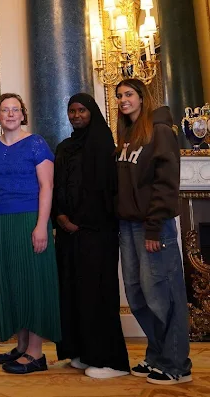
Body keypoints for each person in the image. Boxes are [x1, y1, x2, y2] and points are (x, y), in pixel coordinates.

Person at [115, 78, 192, 385]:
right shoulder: (128, 135)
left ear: (142, 97)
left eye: (129, 94)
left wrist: (153, 227)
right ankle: (157, 354)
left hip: (153, 228)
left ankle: (177, 365)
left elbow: (165, 183)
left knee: (164, 295)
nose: (123, 100)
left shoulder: (160, 131)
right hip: (128, 226)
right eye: (119, 95)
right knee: (138, 295)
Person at [53, 93, 129, 378]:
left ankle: (109, 360)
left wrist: (80, 222)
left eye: (82, 110)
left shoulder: (103, 145)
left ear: (92, 112)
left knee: (97, 294)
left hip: (97, 234)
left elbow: (104, 192)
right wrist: (60, 216)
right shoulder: (65, 146)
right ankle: (82, 352)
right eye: (72, 111)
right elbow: (59, 186)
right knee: (73, 292)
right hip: (68, 234)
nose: (76, 115)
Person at [0, 93, 61, 374]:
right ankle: (21, 346)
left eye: (15, 109)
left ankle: (36, 354)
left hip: (30, 218)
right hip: (0, 221)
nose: (10, 114)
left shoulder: (36, 143)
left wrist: (42, 225)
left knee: (32, 282)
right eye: (5, 110)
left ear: (22, 114)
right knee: (12, 280)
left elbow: (47, 187)